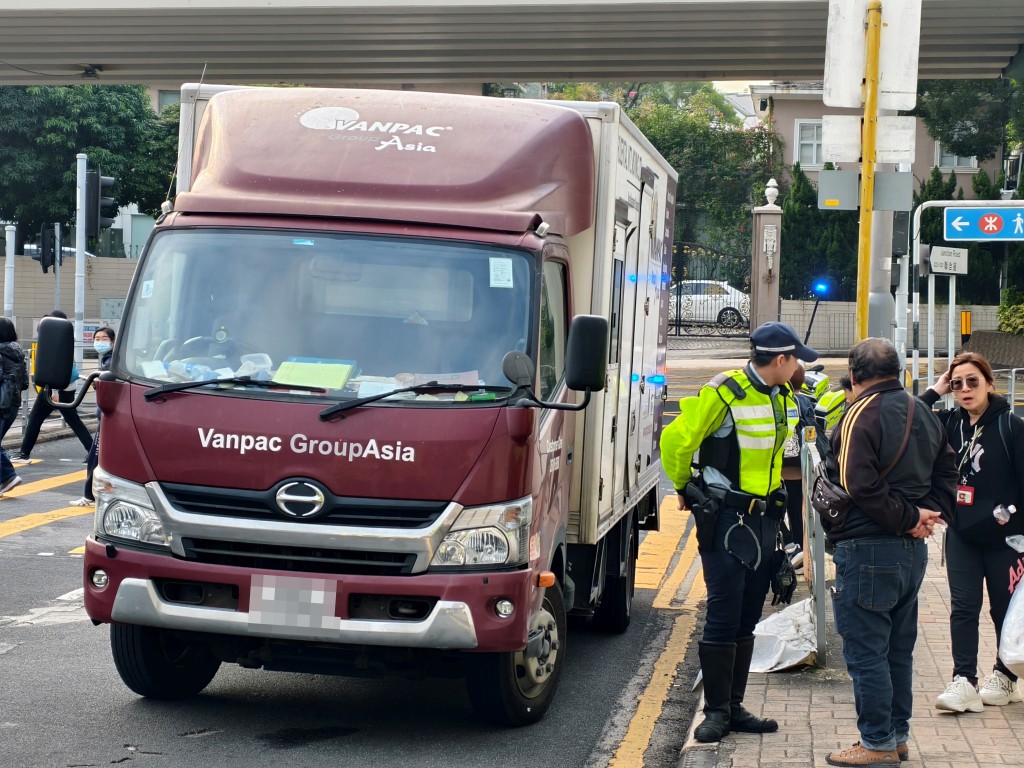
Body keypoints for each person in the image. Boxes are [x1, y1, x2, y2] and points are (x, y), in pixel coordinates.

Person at [661, 320, 818, 743]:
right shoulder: (724, 392)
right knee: (724, 615)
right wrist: (683, 488)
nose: (799, 366)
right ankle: (714, 712)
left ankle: (733, 706)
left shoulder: (783, 394)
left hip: (766, 520)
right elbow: (675, 441)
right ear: (781, 359)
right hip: (728, 521)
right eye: (796, 359)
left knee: (749, 616)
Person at [823, 338, 957, 768]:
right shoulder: (923, 411)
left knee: (866, 652)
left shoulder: (859, 413)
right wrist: (927, 516)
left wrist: (907, 517)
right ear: (897, 370)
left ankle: (876, 743)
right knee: (898, 650)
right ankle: (896, 737)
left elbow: (857, 483)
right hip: (911, 553)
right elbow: (949, 468)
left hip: (867, 548)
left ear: (855, 374)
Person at [919, 352, 1024, 713]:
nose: (965, 389)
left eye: (973, 381)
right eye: (958, 383)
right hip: (962, 532)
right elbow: (911, 416)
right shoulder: (948, 423)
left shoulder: (1012, 426)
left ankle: (1005, 674)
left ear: (990, 384)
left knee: (1003, 609)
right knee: (963, 607)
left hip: (1006, 538)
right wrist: (936, 388)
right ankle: (964, 679)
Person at [14, 311, 93, 462]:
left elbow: (56, 366)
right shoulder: (66, 338)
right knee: (71, 419)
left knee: (36, 418)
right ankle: (91, 450)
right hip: (65, 387)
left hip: (55, 387)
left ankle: (24, 453)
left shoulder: (54, 341)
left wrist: (55, 391)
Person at [71, 327, 114, 507]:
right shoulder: (109, 359)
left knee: (94, 457)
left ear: (113, 341)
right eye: (96, 338)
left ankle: (89, 495)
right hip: (109, 414)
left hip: (107, 414)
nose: (99, 341)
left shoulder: (111, 361)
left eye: (104, 338)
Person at [0, 317, 28, 496]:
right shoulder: (18, 354)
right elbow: (24, 383)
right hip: (12, 405)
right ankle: (7, 478)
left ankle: (9, 476)